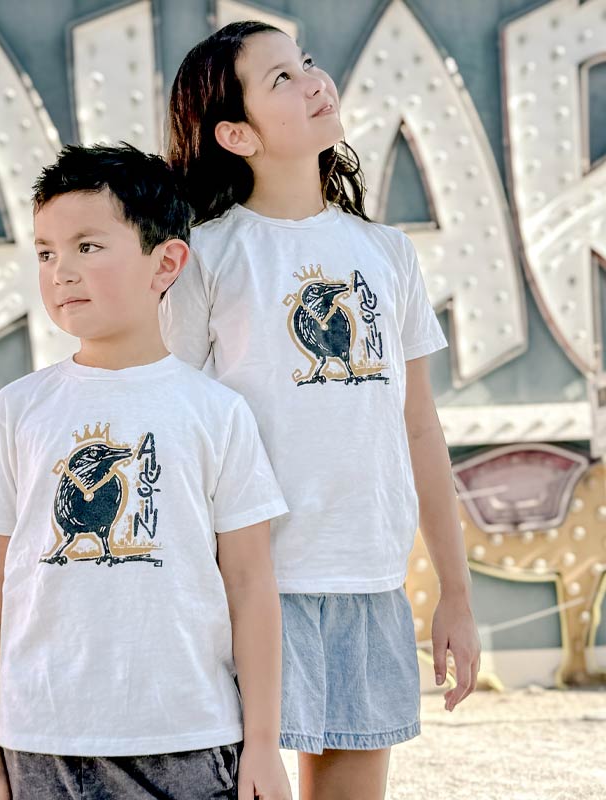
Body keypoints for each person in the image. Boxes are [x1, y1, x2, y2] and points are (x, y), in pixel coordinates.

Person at [163, 22, 482, 800]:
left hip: (371, 581)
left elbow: (419, 427)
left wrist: (456, 594)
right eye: (279, 78)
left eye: (305, 62)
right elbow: (175, 431)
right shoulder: (205, 256)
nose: (312, 79)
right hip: (251, 587)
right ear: (235, 133)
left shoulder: (387, 253)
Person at [0, 143, 292, 800]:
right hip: (40, 741)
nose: (62, 272)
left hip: (188, 739)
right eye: (47, 253)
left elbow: (251, 584)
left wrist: (263, 745)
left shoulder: (216, 412)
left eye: (88, 246)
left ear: (165, 262)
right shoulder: (19, 409)